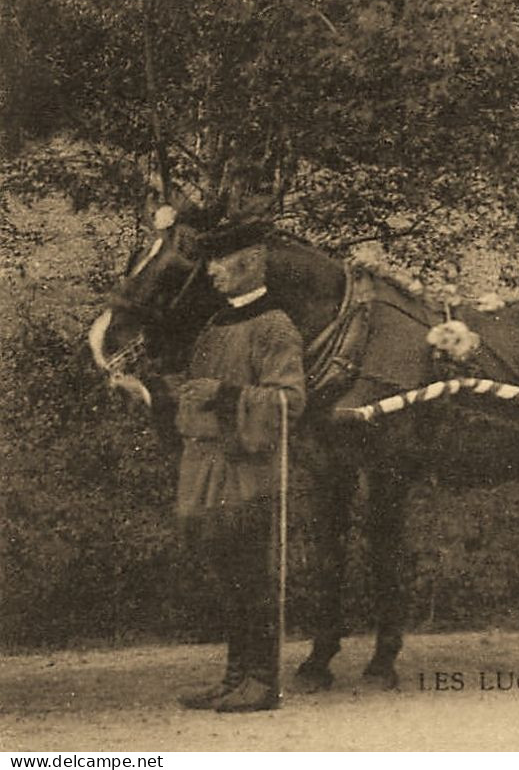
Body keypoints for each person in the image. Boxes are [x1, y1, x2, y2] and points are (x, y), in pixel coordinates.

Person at [119, 216, 305, 712]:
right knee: (228, 574)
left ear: (251, 263)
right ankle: (234, 678)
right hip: (205, 466)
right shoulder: (217, 323)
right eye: (211, 263)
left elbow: (289, 401)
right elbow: (193, 392)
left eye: (221, 262)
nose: (213, 273)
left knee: (251, 573)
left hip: (245, 468)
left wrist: (226, 394)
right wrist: (149, 390)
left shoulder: (274, 325)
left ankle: (263, 682)